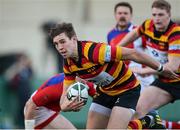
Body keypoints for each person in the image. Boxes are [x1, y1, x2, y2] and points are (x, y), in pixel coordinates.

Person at [49, 22, 176, 129]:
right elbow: (64, 94)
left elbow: (133, 54)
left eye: (62, 41)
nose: (60, 47)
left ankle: (148, 120)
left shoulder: (95, 51)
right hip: (105, 92)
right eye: (56, 44)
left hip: (127, 90)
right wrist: (64, 106)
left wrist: (160, 68)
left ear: (74, 39)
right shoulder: (68, 64)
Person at [118, 0, 180, 124]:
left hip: (175, 76)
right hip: (166, 82)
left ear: (169, 14)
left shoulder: (175, 33)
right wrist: (115, 49)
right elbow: (134, 34)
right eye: (154, 15)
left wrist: (145, 71)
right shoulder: (148, 25)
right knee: (137, 111)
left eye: (161, 15)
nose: (157, 18)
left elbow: (172, 67)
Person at [24, 73, 96, 129]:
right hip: (38, 110)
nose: (85, 79)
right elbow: (30, 105)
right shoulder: (57, 88)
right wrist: (29, 128)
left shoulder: (83, 82)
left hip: (49, 110)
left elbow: (100, 98)